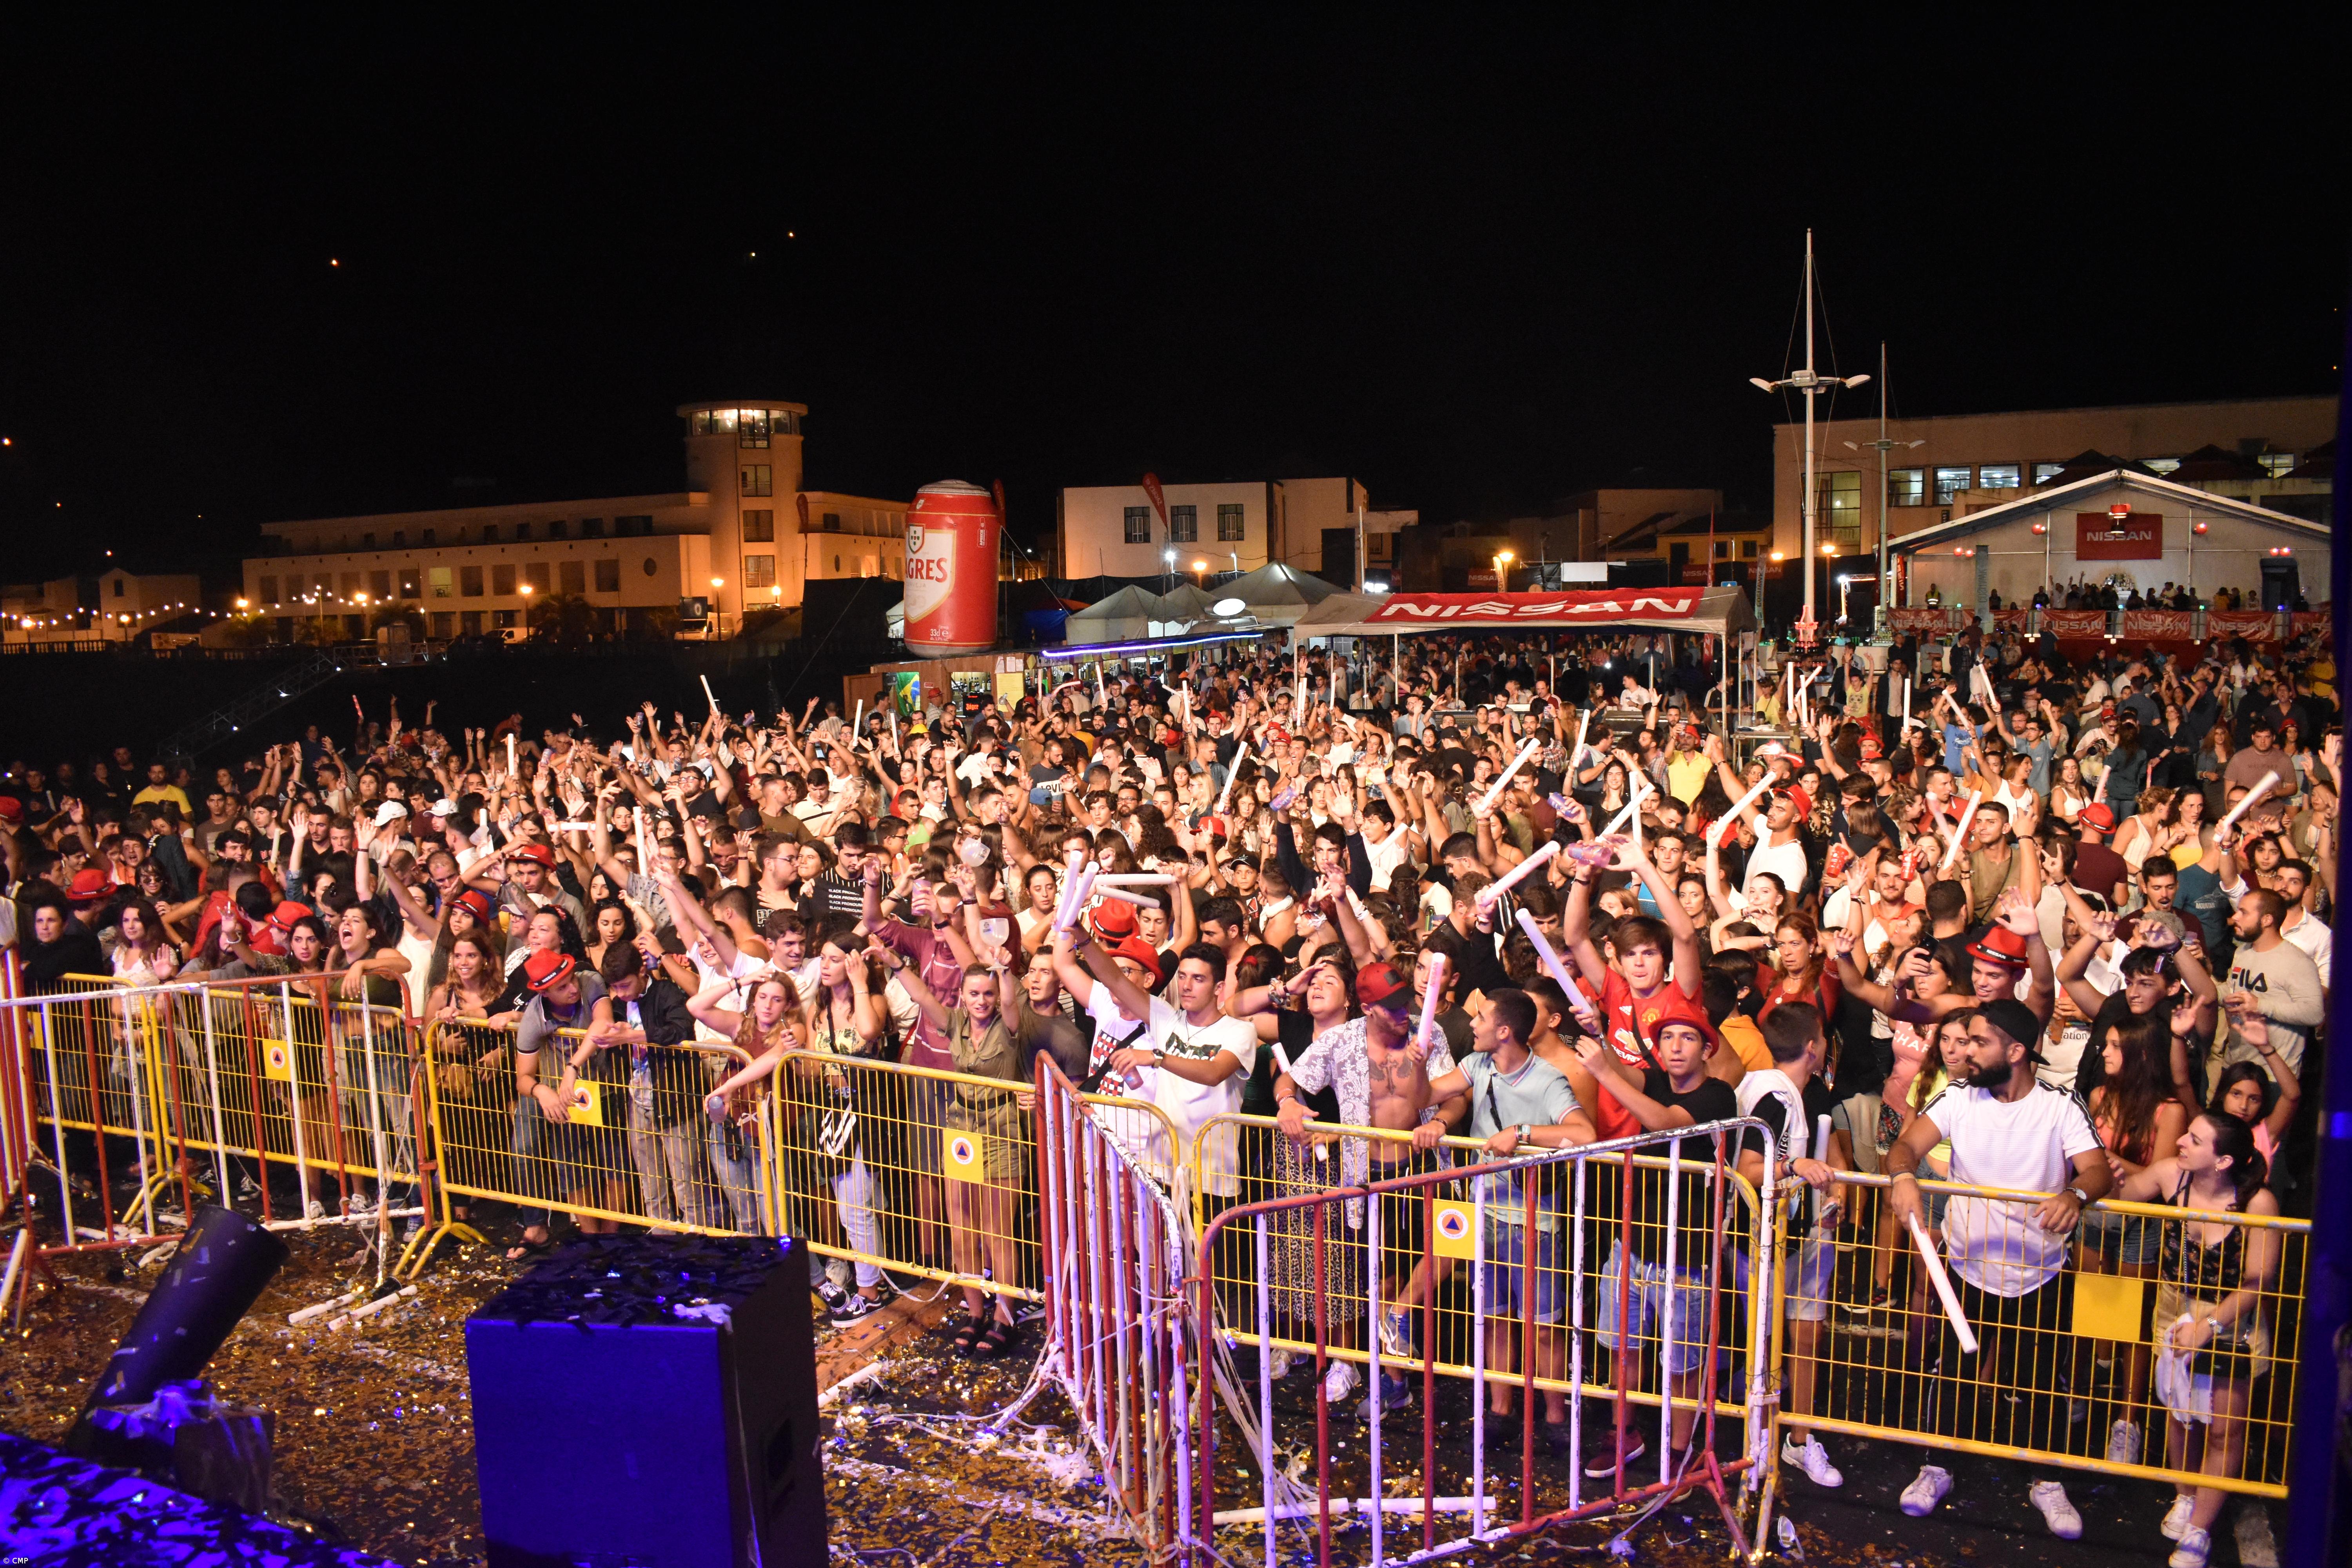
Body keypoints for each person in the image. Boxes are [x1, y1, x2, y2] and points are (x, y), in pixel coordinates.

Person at [1883, 998, 2113, 1540]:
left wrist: (2075, 1194)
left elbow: (2098, 1170)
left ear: (2015, 1051)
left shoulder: (2059, 1105)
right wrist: (1902, 1177)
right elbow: (1905, 1146)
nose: (1965, 1052)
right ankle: (1938, 1467)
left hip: (2040, 1272)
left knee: (2038, 1384)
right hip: (1967, 1265)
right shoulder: (1960, 1096)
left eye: (1979, 1042)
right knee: (1957, 1375)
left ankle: (2045, 1481)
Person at [1419, 988, 1594, 1455]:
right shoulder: (1477, 1066)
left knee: (1544, 1325)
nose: (1471, 1024)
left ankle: (1556, 1417)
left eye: (1480, 1018)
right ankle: (1501, 1411)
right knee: (1494, 1318)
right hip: (1484, 1214)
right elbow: (1429, 1095)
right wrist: (1417, 1066)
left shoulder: (1549, 1080)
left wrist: (1523, 1134)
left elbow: (1584, 1133)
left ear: (1504, 1031)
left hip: (1533, 1223)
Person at [2111, 1112, 2282, 1568]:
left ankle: (2200, 1531)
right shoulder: (2173, 1173)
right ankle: (2186, 1495)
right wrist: (2105, 1172)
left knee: (2224, 1427)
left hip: (2231, 1319)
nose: (2182, 1140)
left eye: (2195, 1139)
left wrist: (2211, 1326)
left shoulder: (2257, 1201)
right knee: (2180, 1410)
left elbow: (2259, 1279)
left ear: (2223, 1159)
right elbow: (2124, 1194)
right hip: (2174, 1306)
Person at [1576, 1007, 1738, 1480]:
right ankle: (1624, 1432)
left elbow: (1667, 1124)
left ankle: (1679, 1450)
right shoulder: (1650, 1077)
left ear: (1707, 1049)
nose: (1676, 1046)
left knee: (1683, 1360)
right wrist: (1596, 1035)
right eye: (1668, 1037)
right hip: (1631, 1244)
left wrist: (1604, 1071)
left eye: (1688, 1038)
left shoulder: (1718, 1094)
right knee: (1621, 1348)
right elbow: (1624, 1070)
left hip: (1686, 1254)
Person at [1731, 1001, 1851, 1489]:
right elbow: (1749, 1168)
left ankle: (1798, 1442)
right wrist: (1793, 1169)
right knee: (1764, 1346)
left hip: (1795, 1236)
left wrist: (1826, 1190)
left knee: (1804, 1339)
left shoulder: (1791, 1093)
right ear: (1813, 1047)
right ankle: (1758, 1444)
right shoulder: (1774, 1097)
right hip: (1759, 1242)